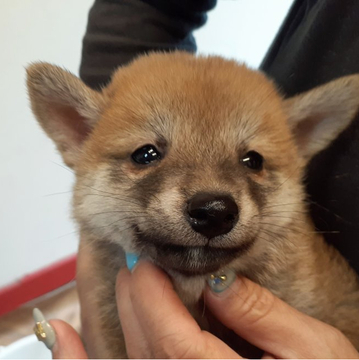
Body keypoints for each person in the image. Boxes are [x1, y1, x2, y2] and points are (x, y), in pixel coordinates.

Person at [37, 0, 359, 357]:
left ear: (301, 138)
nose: (214, 200)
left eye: (252, 161)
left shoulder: (308, 286)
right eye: (147, 155)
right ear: (78, 131)